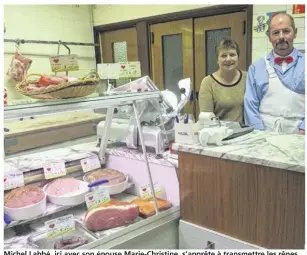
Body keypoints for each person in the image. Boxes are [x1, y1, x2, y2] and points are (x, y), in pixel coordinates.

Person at [244, 12, 305, 134]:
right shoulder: (256, 68)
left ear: (295, 33)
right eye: (276, 32)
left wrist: (304, 128)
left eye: (286, 31)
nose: (281, 37)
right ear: (269, 37)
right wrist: (258, 134)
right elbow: (250, 106)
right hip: (264, 135)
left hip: (300, 137)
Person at [199, 39, 247, 124]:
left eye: (232, 55)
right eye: (223, 56)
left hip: (245, 133)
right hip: (219, 133)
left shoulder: (247, 78)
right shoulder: (208, 82)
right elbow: (206, 119)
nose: (228, 59)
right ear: (217, 60)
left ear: (238, 57)